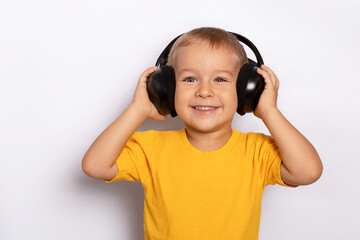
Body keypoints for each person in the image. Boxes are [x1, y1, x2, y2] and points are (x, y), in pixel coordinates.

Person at [82, 27, 323, 240]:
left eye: (220, 79)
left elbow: (308, 172)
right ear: (167, 88)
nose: (204, 91)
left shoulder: (256, 152)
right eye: (190, 79)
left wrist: (269, 111)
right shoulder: (151, 148)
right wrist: (138, 109)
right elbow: (95, 165)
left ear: (246, 89)